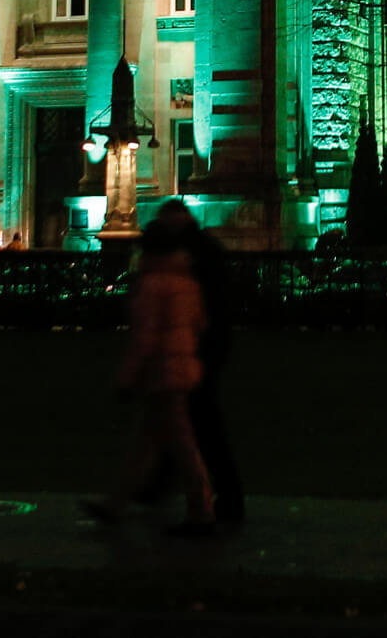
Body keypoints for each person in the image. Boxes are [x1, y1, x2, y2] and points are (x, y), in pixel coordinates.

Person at [84, 215, 214, 535]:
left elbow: (145, 337)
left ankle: (202, 509)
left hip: (163, 371)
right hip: (181, 366)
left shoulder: (153, 283)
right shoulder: (186, 279)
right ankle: (115, 503)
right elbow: (200, 323)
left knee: (180, 443)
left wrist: (127, 378)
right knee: (146, 442)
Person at [138, 200, 245, 525]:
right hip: (201, 350)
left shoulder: (187, 256)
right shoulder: (202, 248)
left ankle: (219, 499)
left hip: (196, 352)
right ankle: (160, 485)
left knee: (199, 426)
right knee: (182, 422)